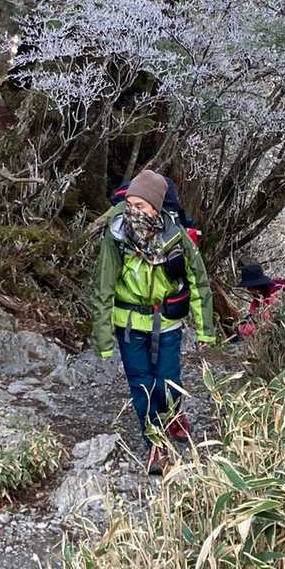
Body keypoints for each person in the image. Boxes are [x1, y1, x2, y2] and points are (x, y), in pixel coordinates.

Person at [91, 170, 216, 474]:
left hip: (168, 324)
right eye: (129, 204)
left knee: (168, 383)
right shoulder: (117, 236)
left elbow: (199, 283)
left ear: (156, 208)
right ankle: (154, 445)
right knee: (142, 386)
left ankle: (172, 413)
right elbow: (103, 287)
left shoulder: (176, 236)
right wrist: (103, 338)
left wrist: (205, 331)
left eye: (141, 206)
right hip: (130, 327)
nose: (133, 212)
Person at [231, 262, 285, 342]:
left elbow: (266, 324)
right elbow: (255, 313)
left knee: (237, 336)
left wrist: (242, 330)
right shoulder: (262, 295)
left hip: (279, 329)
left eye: (249, 288)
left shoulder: (275, 296)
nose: (248, 290)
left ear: (256, 288)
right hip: (265, 318)